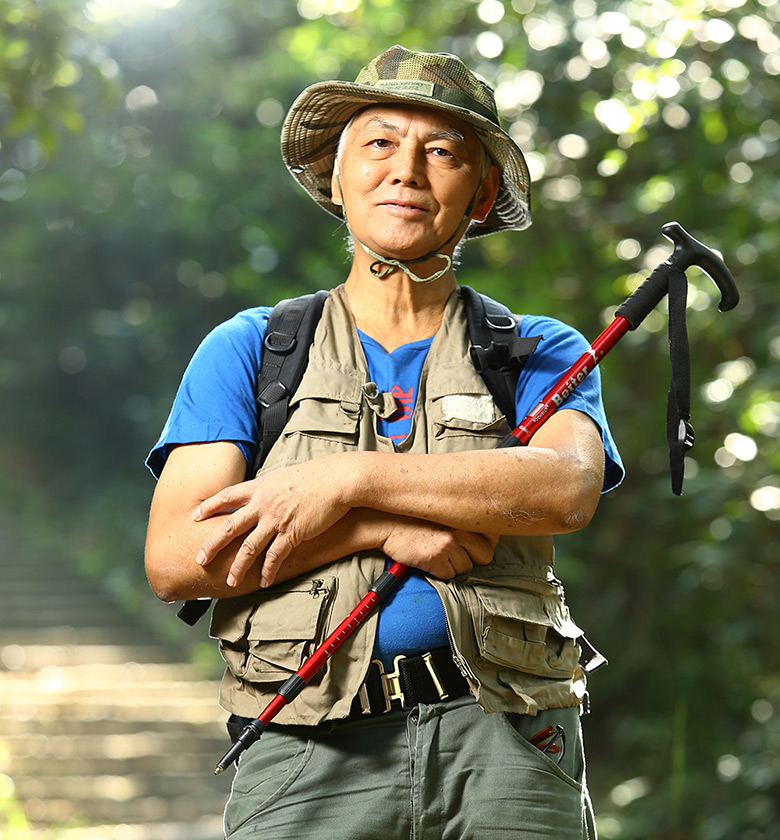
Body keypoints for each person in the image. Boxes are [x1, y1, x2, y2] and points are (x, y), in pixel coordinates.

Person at [145, 45, 624, 840]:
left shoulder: (536, 349)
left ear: (481, 194)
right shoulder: (253, 348)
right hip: (306, 743)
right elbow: (176, 560)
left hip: (508, 736)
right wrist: (377, 524)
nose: (406, 169)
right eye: (378, 142)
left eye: (442, 152)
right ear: (337, 177)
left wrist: (345, 479)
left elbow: (565, 488)